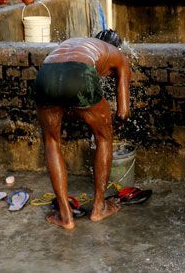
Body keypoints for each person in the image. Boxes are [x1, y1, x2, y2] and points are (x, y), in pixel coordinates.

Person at [33, 29, 131, 230]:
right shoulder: (118, 56)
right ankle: (99, 207)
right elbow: (123, 113)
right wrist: (107, 124)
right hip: (79, 73)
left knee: (51, 141)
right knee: (104, 137)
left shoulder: (79, 44)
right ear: (117, 47)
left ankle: (65, 216)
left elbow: (62, 77)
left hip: (46, 74)